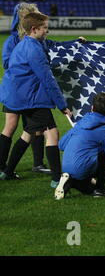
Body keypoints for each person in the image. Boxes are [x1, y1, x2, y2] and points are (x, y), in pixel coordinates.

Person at [0, 12, 72, 187]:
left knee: (29, 133)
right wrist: (62, 106)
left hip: (16, 95)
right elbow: (47, 79)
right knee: (52, 133)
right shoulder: (33, 50)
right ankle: (57, 180)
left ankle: (7, 171)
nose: (47, 31)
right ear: (34, 29)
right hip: (27, 97)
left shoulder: (27, 43)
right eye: (45, 28)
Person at [0, 3, 49, 175]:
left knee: (34, 127)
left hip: (31, 89)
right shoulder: (13, 40)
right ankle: (2, 165)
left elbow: (53, 48)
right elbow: (6, 63)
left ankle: (38, 163)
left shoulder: (38, 38)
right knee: (11, 126)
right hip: (15, 89)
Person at [55, 92, 105, 200]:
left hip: (67, 166)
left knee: (87, 185)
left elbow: (61, 145)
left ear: (92, 107)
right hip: (83, 168)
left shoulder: (81, 123)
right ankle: (99, 189)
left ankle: (71, 181)